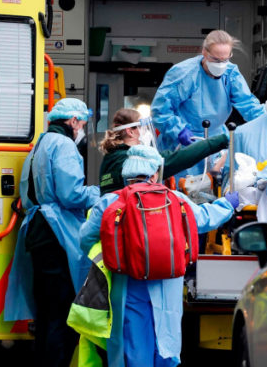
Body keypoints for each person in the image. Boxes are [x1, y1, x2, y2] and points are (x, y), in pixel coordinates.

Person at [80, 145, 240, 366]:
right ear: (155, 173)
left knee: (133, 344)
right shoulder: (174, 198)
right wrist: (227, 204)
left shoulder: (110, 202)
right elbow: (203, 219)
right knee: (166, 338)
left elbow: (85, 238)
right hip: (167, 281)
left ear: (126, 172)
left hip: (127, 283)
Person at [4, 98, 102, 367]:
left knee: (46, 315)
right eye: (82, 124)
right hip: (56, 234)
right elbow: (71, 194)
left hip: (37, 232)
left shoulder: (39, 144)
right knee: (62, 315)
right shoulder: (64, 145)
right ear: (73, 121)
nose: (82, 129)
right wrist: (101, 194)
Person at [151, 30, 265, 177]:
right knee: (186, 186)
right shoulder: (184, 74)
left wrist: (266, 122)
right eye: (216, 60)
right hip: (185, 141)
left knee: (219, 183)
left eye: (225, 60)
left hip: (216, 138)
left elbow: (248, 104)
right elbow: (160, 110)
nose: (221, 65)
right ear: (204, 53)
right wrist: (178, 130)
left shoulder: (230, 73)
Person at [99, 108, 230, 194]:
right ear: (130, 132)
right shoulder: (132, 159)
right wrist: (222, 140)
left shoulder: (110, 158)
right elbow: (179, 158)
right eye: (142, 127)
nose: (146, 132)